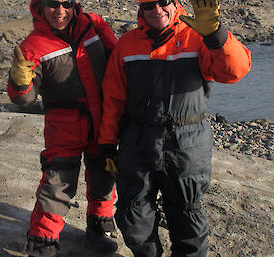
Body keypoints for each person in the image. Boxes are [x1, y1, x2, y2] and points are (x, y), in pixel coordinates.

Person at [98, 0, 251, 256]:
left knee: (187, 213)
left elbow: (234, 71)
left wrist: (215, 34)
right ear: (140, 9)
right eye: (148, 5)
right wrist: (106, 144)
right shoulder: (126, 45)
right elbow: (113, 99)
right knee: (133, 213)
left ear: (175, 3)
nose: (156, 10)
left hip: (187, 144)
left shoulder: (199, 37)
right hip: (137, 142)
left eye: (163, 2)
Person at [7, 0, 118, 256]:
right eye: (52, 5)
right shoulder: (31, 46)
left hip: (102, 119)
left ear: (75, 5)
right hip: (64, 126)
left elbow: (117, 59)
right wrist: (19, 80)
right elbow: (23, 98)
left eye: (66, 4)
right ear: (40, 7)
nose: (60, 11)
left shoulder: (94, 25)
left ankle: (99, 228)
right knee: (57, 185)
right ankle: (42, 242)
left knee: (104, 174)